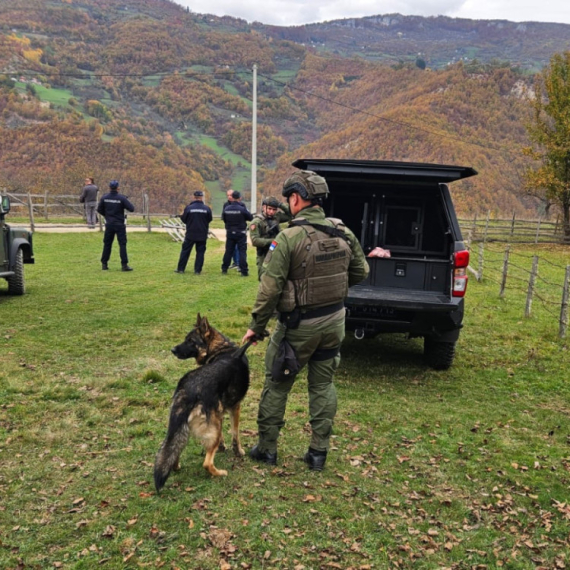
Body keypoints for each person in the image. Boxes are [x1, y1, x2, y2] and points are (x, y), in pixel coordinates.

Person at [241, 170, 369, 471]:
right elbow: (360, 272)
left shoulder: (288, 238)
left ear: (296, 198)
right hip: (335, 322)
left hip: (298, 327)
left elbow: (269, 288)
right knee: (323, 385)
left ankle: (267, 449)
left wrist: (255, 327)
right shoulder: (342, 231)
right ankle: (318, 453)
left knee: (277, 383)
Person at [249, 196, 291, 280]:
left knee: (278, 277)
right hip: (264, 254)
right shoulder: (257, 222)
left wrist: (280, 204)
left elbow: (291, 214)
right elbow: (255, 241)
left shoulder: (277, 217)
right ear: (264, 207)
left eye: (274, 209)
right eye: (269, 209)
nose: (272, 212)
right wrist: (274, 241)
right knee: (264, 278)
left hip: (277, 252)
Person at [97, 180, 135, 271]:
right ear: (118, 188)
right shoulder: (121, 198)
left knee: (107, 244)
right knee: (122, 244)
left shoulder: (104, 197)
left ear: (109, 187)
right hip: (119, 224)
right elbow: (131, 208)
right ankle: (124, 265)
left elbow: (99, 209)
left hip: (109, 223)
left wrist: (107, 215)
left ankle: (104, 263)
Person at [174, 190, 212, 275]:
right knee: (200, 252)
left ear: (194, 197)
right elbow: (209, 219)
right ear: (202, 197)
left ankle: (181, 269)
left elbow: (184, 219)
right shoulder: (207, 208)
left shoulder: (189, 208)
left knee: (185, 251)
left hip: (191, 233)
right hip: (202, 233)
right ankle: (197, 270)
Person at [221, 190, 252, 277]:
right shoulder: (242, 209)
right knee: (242, 251)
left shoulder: (226, 208)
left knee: (228, 251)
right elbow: (250, 217)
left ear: (232, 197)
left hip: (230, 232)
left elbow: (224, 219)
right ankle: (244, 271)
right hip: (241, 232)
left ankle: (224, 268)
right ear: (239, 198)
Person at [223, 189, 240, 269]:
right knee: (230, 247)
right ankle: (234, 262)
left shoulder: (240, 205)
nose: (229, 197)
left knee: (237, 247)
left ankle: (238, 262)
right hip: (229, 229)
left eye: (230, 195)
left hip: (238, 229)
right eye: (228, 195)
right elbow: (224, 217)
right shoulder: (226, 205)